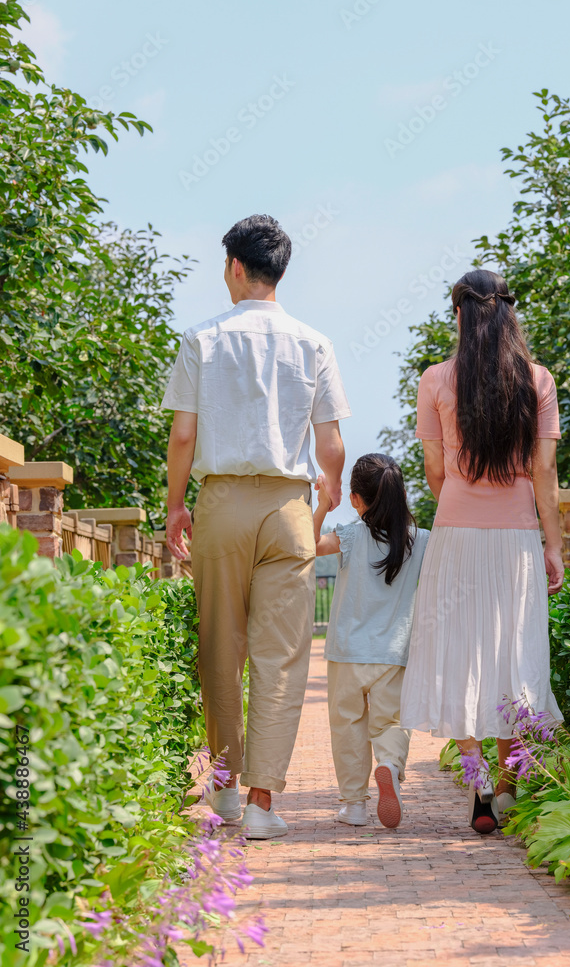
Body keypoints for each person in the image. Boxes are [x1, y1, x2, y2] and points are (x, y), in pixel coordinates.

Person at [161, 214, 350, 839]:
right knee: (282, 656)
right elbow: (331, 445)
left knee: (221, 646)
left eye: (224, 266)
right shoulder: (314, 343)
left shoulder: (200, 339)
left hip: (222, 503)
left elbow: (183, 434)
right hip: (288, 509)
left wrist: (174, 506)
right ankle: (265, 803)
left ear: (238, 267)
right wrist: (324, 499)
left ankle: (223, 792)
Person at [400, 268, 565, 835]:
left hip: (456, 537)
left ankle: (479, 784)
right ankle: (512, 784)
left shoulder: (436, 381)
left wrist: (464, 505)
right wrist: (555, 544)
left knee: (460, 655)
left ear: (460, 315)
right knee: (512, 653)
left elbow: (435, 471)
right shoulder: (537, 381)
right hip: (518, 538)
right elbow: (545, 472)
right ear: (508, 313)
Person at [313, 454, 430, 828]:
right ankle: (390, 766)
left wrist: (320, 506)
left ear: (354, 498)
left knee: (347, 726)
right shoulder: (419, 541)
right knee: (391, 723)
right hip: (393, 653)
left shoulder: (349, 535)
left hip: (347, 651)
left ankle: (354, 805)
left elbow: (309, 544)